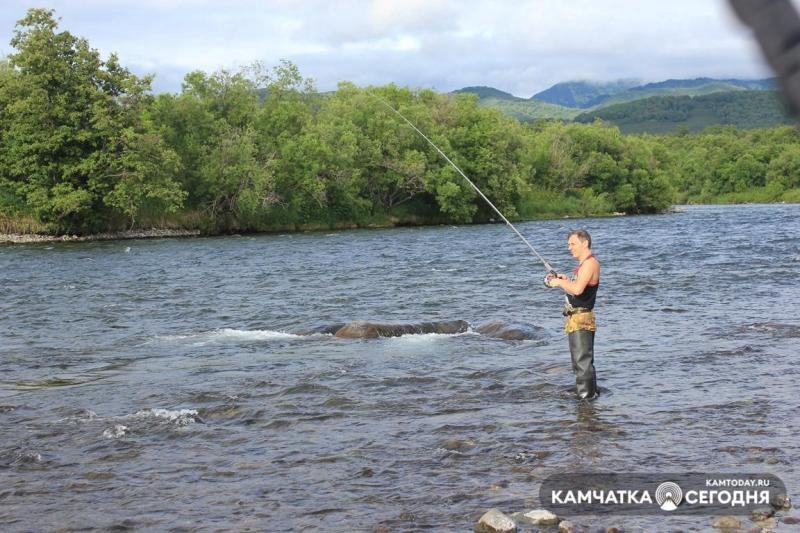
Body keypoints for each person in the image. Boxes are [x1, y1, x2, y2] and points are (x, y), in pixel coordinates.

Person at [545, 229, 600, 400]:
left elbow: (577, 290)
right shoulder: (584, 265)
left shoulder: (590, 264)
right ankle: (589, 396)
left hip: (581, 320)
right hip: (576, 319)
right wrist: (566, 280)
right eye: (568, 244)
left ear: (585, 243)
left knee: (582, 363)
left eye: (573, 244)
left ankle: (586, 401)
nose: (569, 248)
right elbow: (577, 290)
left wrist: (559, 283)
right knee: (579, 363)